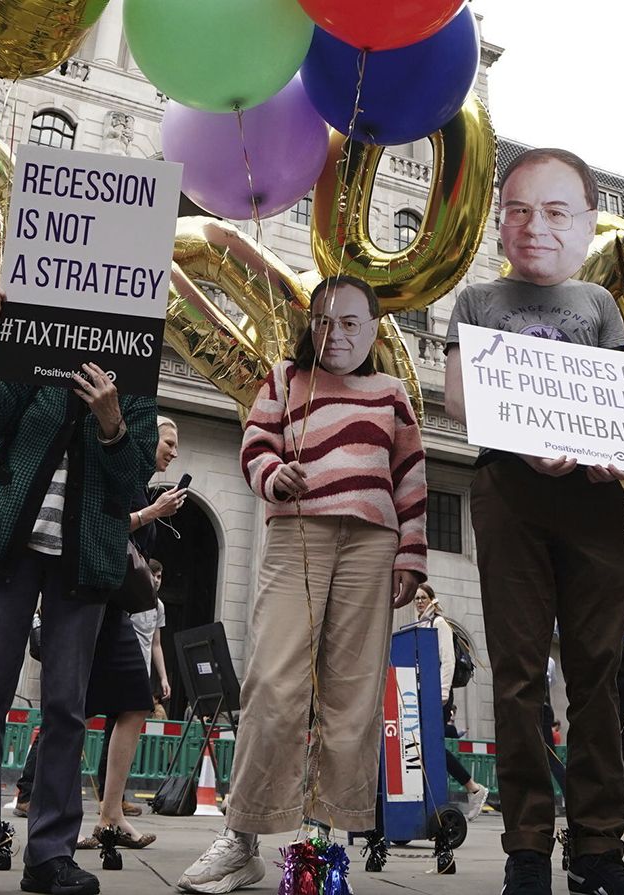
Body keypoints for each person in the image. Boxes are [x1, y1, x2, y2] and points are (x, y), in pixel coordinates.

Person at [440, 146, 624, 895]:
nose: (535, 225)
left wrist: (606, 449)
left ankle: (598, 846)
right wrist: (530, 444)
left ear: (585, 224)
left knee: (599, 671)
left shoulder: (600, 307)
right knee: (518, 670)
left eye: (555, 210)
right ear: (503, 223)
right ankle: (527, 845)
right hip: (509, 488)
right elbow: (460, 401)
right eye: (520, 209)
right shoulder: (476, 302)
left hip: (594, 499)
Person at [178, 276, 426, 894]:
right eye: (324, 321)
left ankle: (321, 840)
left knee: (353, 693)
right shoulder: (285, 379)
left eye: (351, 323)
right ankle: (241, 837)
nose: (336, 333)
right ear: (308, 326)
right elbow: (254, 443)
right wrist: (271, 473)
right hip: (297, 535)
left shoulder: (393, 393)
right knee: (274, 682)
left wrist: (410, 560)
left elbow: (411, 477)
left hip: (372, 543)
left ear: (373, 330)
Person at [0, 286, 157, 895]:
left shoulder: (133, 372)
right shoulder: (35, 348)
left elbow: (134, 479)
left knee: (66, 707)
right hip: (12, 546)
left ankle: (51, 853)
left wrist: (111, 420)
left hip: (83, 559)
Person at [75, 421, 185, 850]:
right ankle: (52, 806)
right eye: (169, 442)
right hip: (92, 602)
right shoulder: (118, 472)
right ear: (147, 439)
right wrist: (152, 513)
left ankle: (111, 814)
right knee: (76, 710)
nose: (173, 452)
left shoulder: (141, 484)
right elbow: (99, 525)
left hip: (118, 607)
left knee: (136, 706)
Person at [415, 585, 491, 819]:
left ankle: (474, 788)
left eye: (423, 597)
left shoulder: (439, 624)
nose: (418, 601)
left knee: (431, 746)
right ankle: (466, 789)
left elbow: (447, 660)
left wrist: (442, 694)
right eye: (416, 598)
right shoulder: (420, 625)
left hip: (437, 695)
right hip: (423, 693)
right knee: (423, 747)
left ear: (431, 599)